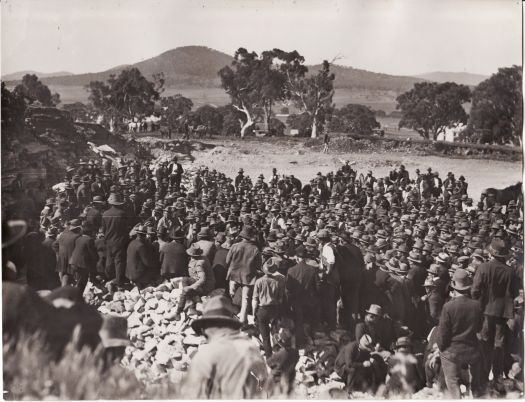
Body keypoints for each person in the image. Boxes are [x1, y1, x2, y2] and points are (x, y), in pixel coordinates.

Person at [181, 296, 268, 398]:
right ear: (230, 325)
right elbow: (263, 378)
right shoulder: (247, 346)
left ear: (207, 329)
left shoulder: (203, 356)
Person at [471, 238, 520, 385]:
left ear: (491, 253)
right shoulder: (510, 272)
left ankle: (484, 375)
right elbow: (514, 292)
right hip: (502, 314)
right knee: (499, 344)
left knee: (484, 342)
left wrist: (478, 302)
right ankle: (497, 375)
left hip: (484, 311)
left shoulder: (483, 268)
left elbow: (475, 290)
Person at [437, 268, 483, 398]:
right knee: (475, 380)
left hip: (453, 351)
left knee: (452, 380)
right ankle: (475, 393)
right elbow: (479, 328)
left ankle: (456, 397)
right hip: (472, 349)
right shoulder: (477, 305)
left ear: (453, 286)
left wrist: (441, 348)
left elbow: (443, 335)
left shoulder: (448, 306)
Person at [226, 226, 262, 325]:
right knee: (245, 299)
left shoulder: (235, 246)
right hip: (248, 276)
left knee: (231, 295)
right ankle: (243, 321)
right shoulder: (255, 249)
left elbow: (227, 261)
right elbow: (259, 266)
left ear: (242, 236)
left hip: (234, 274)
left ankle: (229, 315)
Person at [285, 245, 320, 347]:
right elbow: (317, 287)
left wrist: (289, 302)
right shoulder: (312, 270)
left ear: (297, 257)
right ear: (306, 257)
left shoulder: (291, 270)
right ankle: (311, 342)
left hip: (296, 302)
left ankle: (300, 344)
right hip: (309, 301)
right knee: (309, 322)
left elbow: (288, 289)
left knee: (298, 323)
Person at [252, 257, 285, 357]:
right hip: (274, 309)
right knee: (275, 332)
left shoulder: (259, 281)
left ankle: (269, 356)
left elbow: (255, 300)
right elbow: (280, 299)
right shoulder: (278, 281)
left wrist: (254, 313)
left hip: (262, 310)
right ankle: (278, 351)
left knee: (265, 336)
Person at [174, 244, 215, 320]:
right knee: (185, 280)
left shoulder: (199, 264)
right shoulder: (202, 258)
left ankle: (179, 310)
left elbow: (202, 279)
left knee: (185, 290)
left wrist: (190, 287)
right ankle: (195, 298)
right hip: (199, 281)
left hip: (205, 286)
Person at [102, 193, 130, 287]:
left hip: (109, 240)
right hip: (119, 240)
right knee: (119, 262)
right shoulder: (122, 214)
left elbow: (104, 229)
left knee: (109, 260)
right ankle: (119, 282)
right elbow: (126, 229)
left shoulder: (105, 214)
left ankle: (109, 278)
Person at [125, 225, 159, 289]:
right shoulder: (141, 246)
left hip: (129, 273)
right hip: (137, 275)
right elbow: (148, 263)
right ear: (145, 235)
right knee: (155, 269)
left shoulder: (131, 243)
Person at [69, 222, 98, 294]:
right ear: (90, 232)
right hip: (81, 264)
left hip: (74, 262)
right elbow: (93, 254)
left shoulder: (79, 238)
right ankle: (77, 298)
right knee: (82, 282)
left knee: (78, 281)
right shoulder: (89, 240)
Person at [56, 218, 82, 286]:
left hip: (62, 258)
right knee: (71, 277)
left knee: (64, 275)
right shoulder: (77, 237)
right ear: (78, 228)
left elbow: (55, 244)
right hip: (71, 259)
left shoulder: (62, 235)